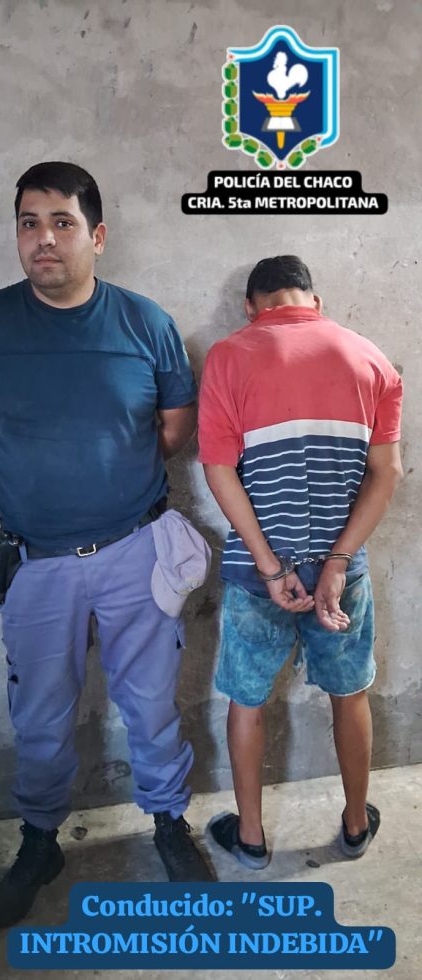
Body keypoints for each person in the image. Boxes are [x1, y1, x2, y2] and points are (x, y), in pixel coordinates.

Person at [0, 161, 214, 929]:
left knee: (150, 705)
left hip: (133, 552)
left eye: (62, 222)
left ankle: (168, 824)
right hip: (36, 563)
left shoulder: (144, 323)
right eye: (29, 223)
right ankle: (39, 841)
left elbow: (173, 428)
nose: (43, 239)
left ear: (98, 236)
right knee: (40, 716)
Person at [198, 255, 403, 870]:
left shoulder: (228, 357)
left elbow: (218, 470)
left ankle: (252, 840)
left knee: (247, 699)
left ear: (251, 306)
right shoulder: (370, 358)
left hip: (258, 572)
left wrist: (268, 564)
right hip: (343, 570)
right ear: (314, 300)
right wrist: (337, 562)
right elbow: (386, 473)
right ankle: (355, 825)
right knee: (350, 692)